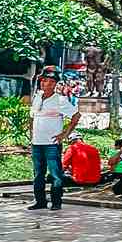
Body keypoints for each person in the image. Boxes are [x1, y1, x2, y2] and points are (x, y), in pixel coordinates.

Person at [28, 66, 80, 211]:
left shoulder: (61, 100)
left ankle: (56, 202)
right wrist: (31, 134)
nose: (47, 84)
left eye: (51, 82)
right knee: (38, 174)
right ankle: (40, 201)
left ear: (55, 84)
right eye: (44, 81)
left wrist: (65, 134)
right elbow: (32, 116)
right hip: (36, 143)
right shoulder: (37, 97)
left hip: (52, 144)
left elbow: (76, 116)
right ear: (41, 82)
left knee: (56, 174)